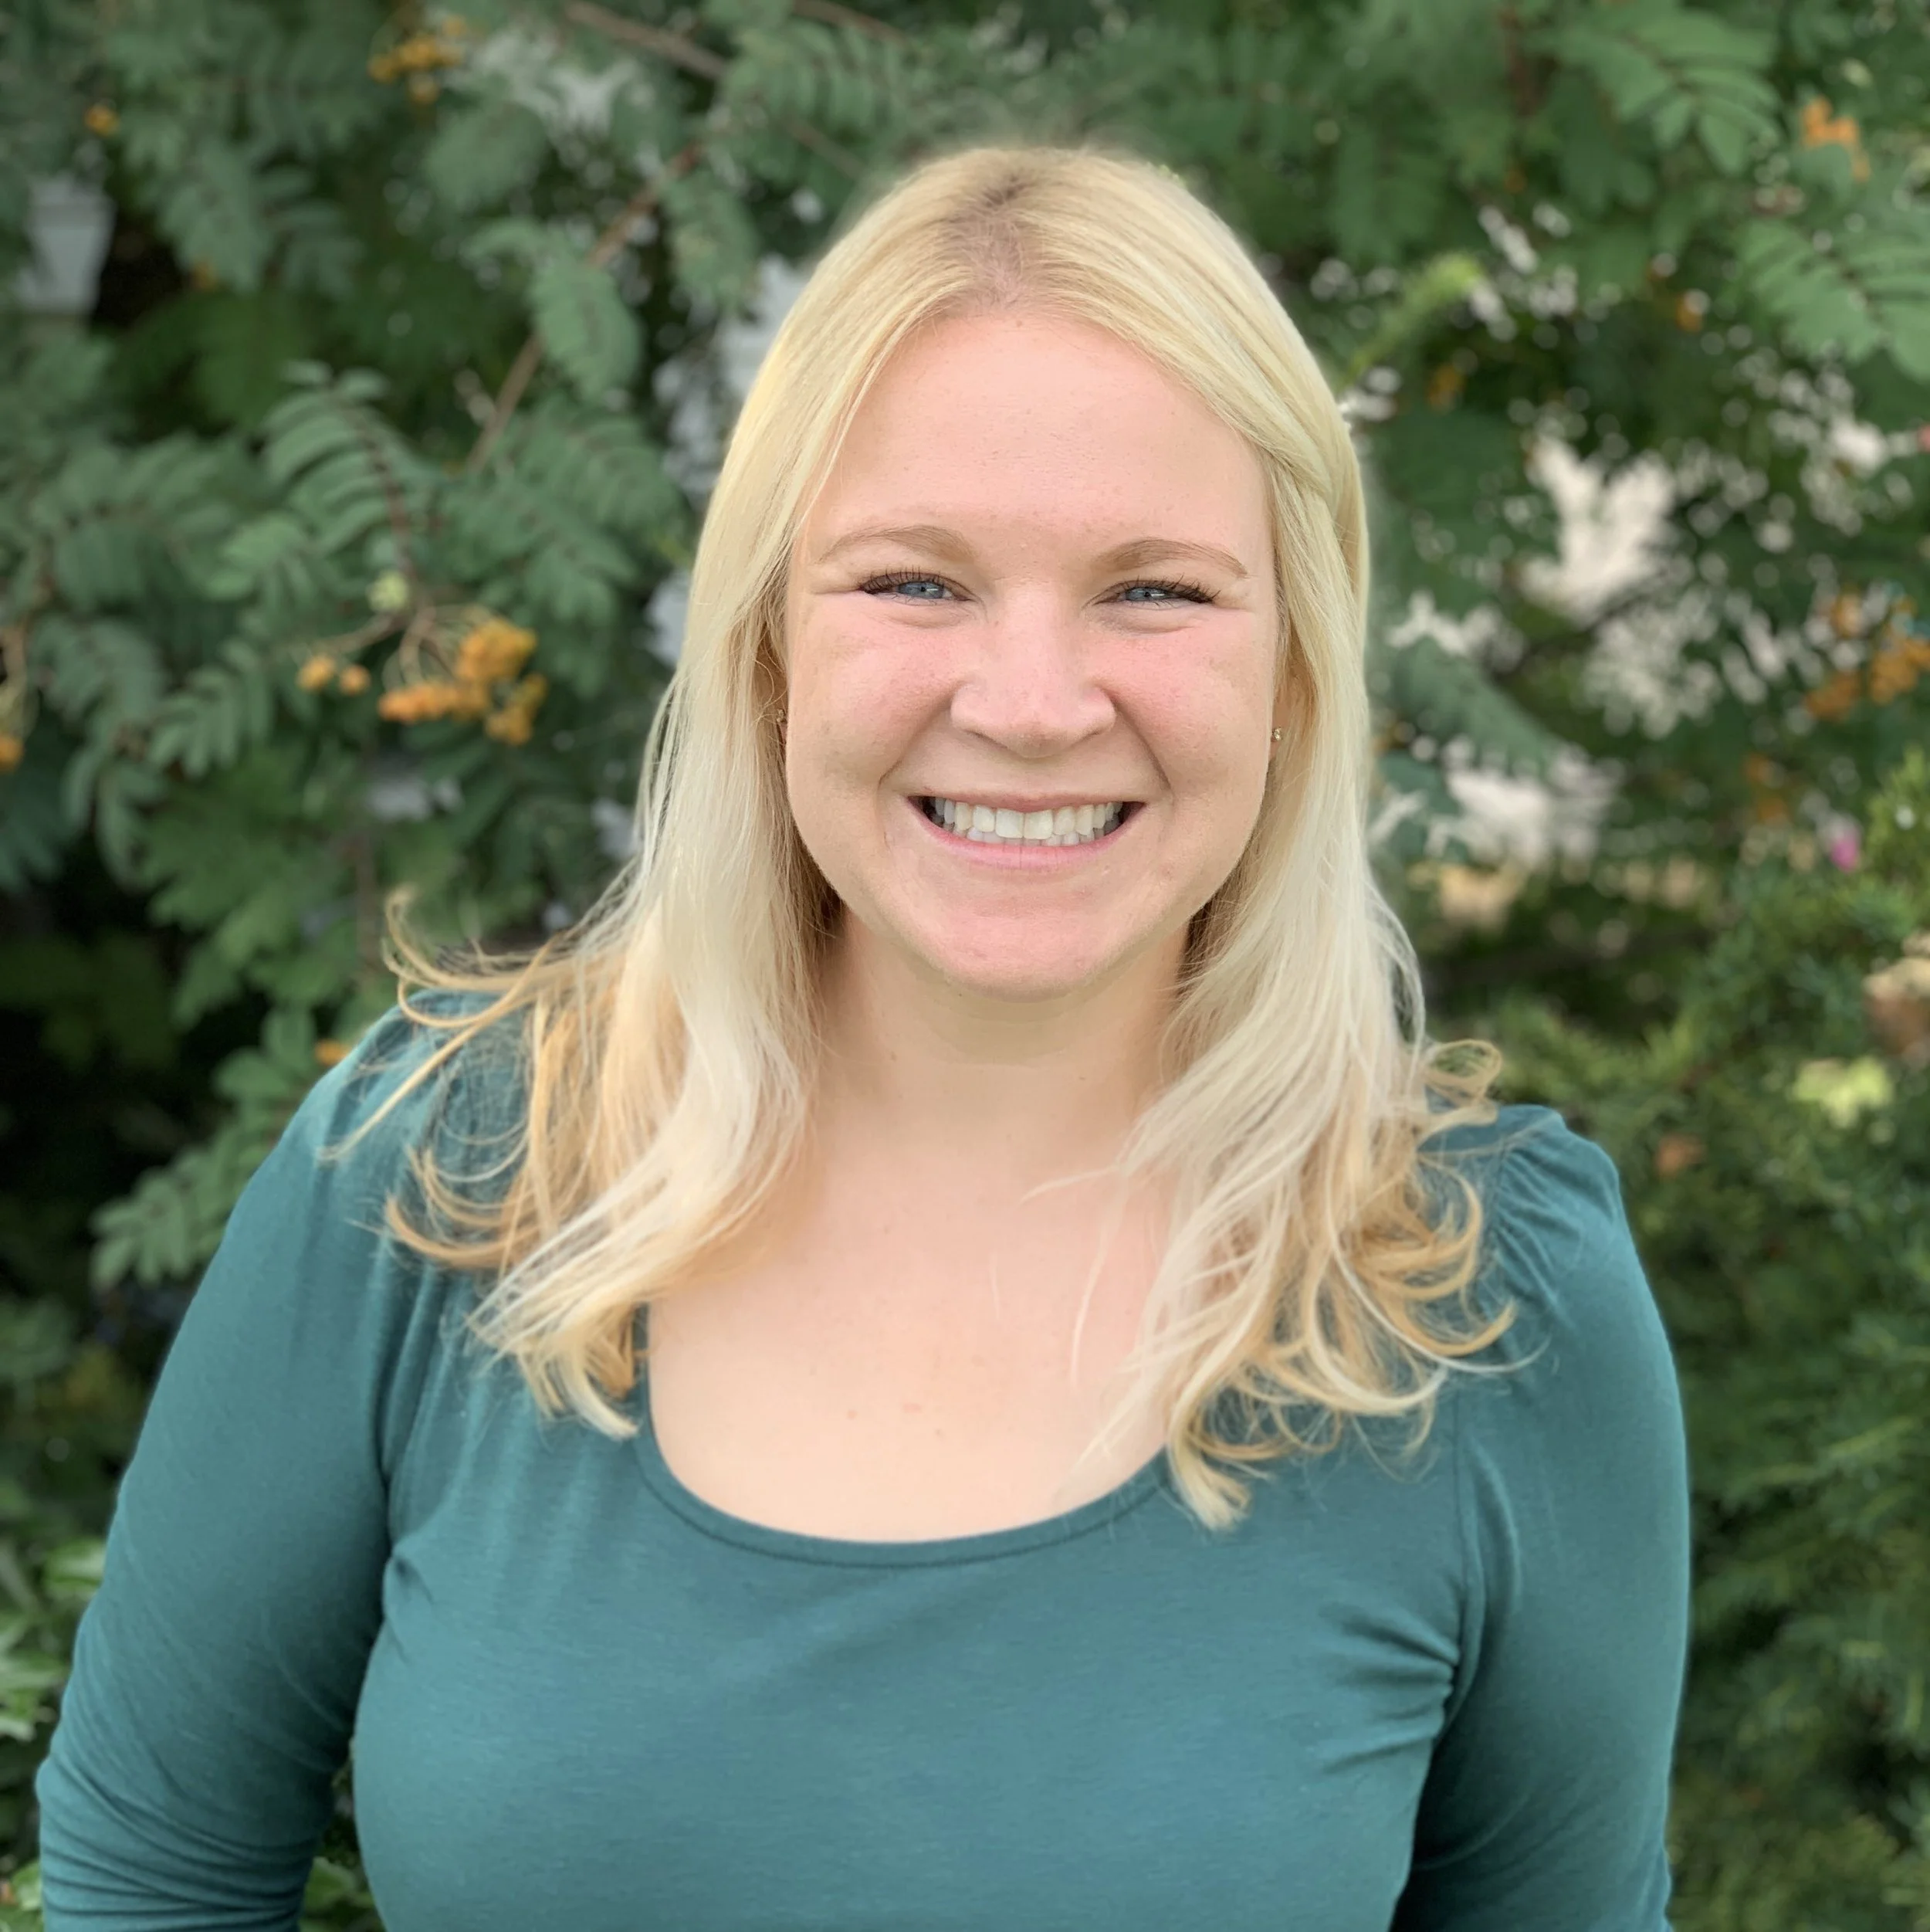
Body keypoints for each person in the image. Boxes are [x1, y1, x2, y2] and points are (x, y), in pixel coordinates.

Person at [34, 143, 1691, 1929]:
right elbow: (156, 1869)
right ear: (762, 644)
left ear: (1294, 665)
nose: (1034, 705)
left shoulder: (1480, 1299)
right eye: (915, 583)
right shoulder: (437, 1182)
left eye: (1155, 590)